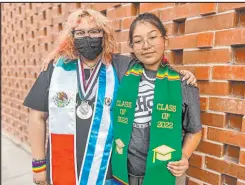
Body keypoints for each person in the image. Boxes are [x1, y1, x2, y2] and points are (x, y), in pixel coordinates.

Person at [24, 9, 197, 185]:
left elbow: (152, 61)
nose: (88, 37)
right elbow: (36, 116)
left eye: (94, 31)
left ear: (104, 34)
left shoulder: (121, 65)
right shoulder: (56, 69)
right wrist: (39, 166)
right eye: (81, 33)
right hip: (62, 166)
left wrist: (181, 75)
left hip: (106, 171)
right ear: (72, 36)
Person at [111, 13, 202, 185]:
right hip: (124, 174)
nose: (146, 46)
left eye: (152, 37)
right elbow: (93, 50)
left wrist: (184, 156)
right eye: (138, 41)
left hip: (166, 174)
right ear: (131, 46)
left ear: (165, 39)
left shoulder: (182, 83)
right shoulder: (123, 69)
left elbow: (194, 130)